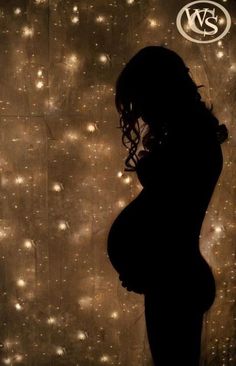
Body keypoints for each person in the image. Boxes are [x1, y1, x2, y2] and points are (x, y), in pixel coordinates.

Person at [107, 46, 228, 366]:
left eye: (143, 98)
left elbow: (172, 221)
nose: (142, 112)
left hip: (175, 280)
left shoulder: (193, 143)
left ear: (161, 91)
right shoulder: (190, 138)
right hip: (171, 276)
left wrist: (145, 264)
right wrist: (141, 264)